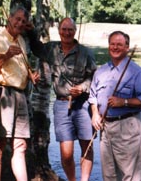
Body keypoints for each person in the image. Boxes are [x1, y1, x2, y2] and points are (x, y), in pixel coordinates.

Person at [29, 17, 97, 181]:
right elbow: (36, 48)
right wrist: (31, 30)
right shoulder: (51, 48)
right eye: (64, 29)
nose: (67, 33)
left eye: (70, 30)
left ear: (75, 31)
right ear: (59, 31)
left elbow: (94, 78)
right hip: (61, 105)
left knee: (86, 146)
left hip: (83, 105)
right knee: (66, 153)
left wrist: (82, 88)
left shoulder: (86, 53)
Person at [0, 5, 40, 181]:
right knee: (0, 144)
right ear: (10, 18)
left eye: (24, 21)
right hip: (2, 94)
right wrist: (5, 56)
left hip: (21, 95)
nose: (20, 23)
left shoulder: (21, 40)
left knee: (21, 145)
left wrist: (31, 77)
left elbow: (20, 69)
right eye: (18, 19)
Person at [88, 31, 141, 181]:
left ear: (127, 47)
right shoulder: (100, 72)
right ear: (108, 46)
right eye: (112, 44)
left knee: (130, 176)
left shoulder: (138, 73)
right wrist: (95, 114)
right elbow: (92, 96)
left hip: (128, 127)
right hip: (105, 129)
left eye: (119, 44)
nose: (115, 47)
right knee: (109, 175)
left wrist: (124, 102)